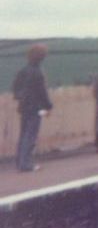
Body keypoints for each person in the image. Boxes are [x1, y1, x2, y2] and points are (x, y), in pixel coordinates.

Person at [12, 44, 53, 172]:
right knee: (31, 135)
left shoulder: (23, 70)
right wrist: (49, 106)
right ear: (41, 57)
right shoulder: (38, 72)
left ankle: (20, 162)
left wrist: (21, 97)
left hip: (24, 107)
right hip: (36, 107)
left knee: (24, 134)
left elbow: (15, 88)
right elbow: (42, 92)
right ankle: (26, 164)